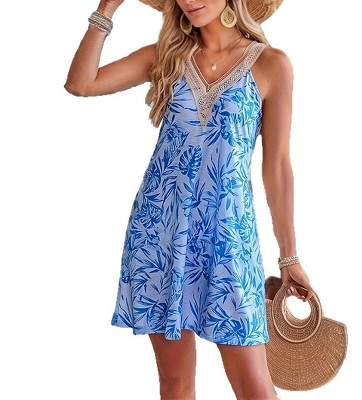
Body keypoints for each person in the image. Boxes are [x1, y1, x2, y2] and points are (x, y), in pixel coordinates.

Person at [64, 0, 315, 398]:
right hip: (160, 233)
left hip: (227, 240)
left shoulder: (271, 65)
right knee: (175, 383)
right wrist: (106, 9)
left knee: (254, 387)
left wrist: (289, 256)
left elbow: (277, 166)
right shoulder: (166, 56)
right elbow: (81, 83)